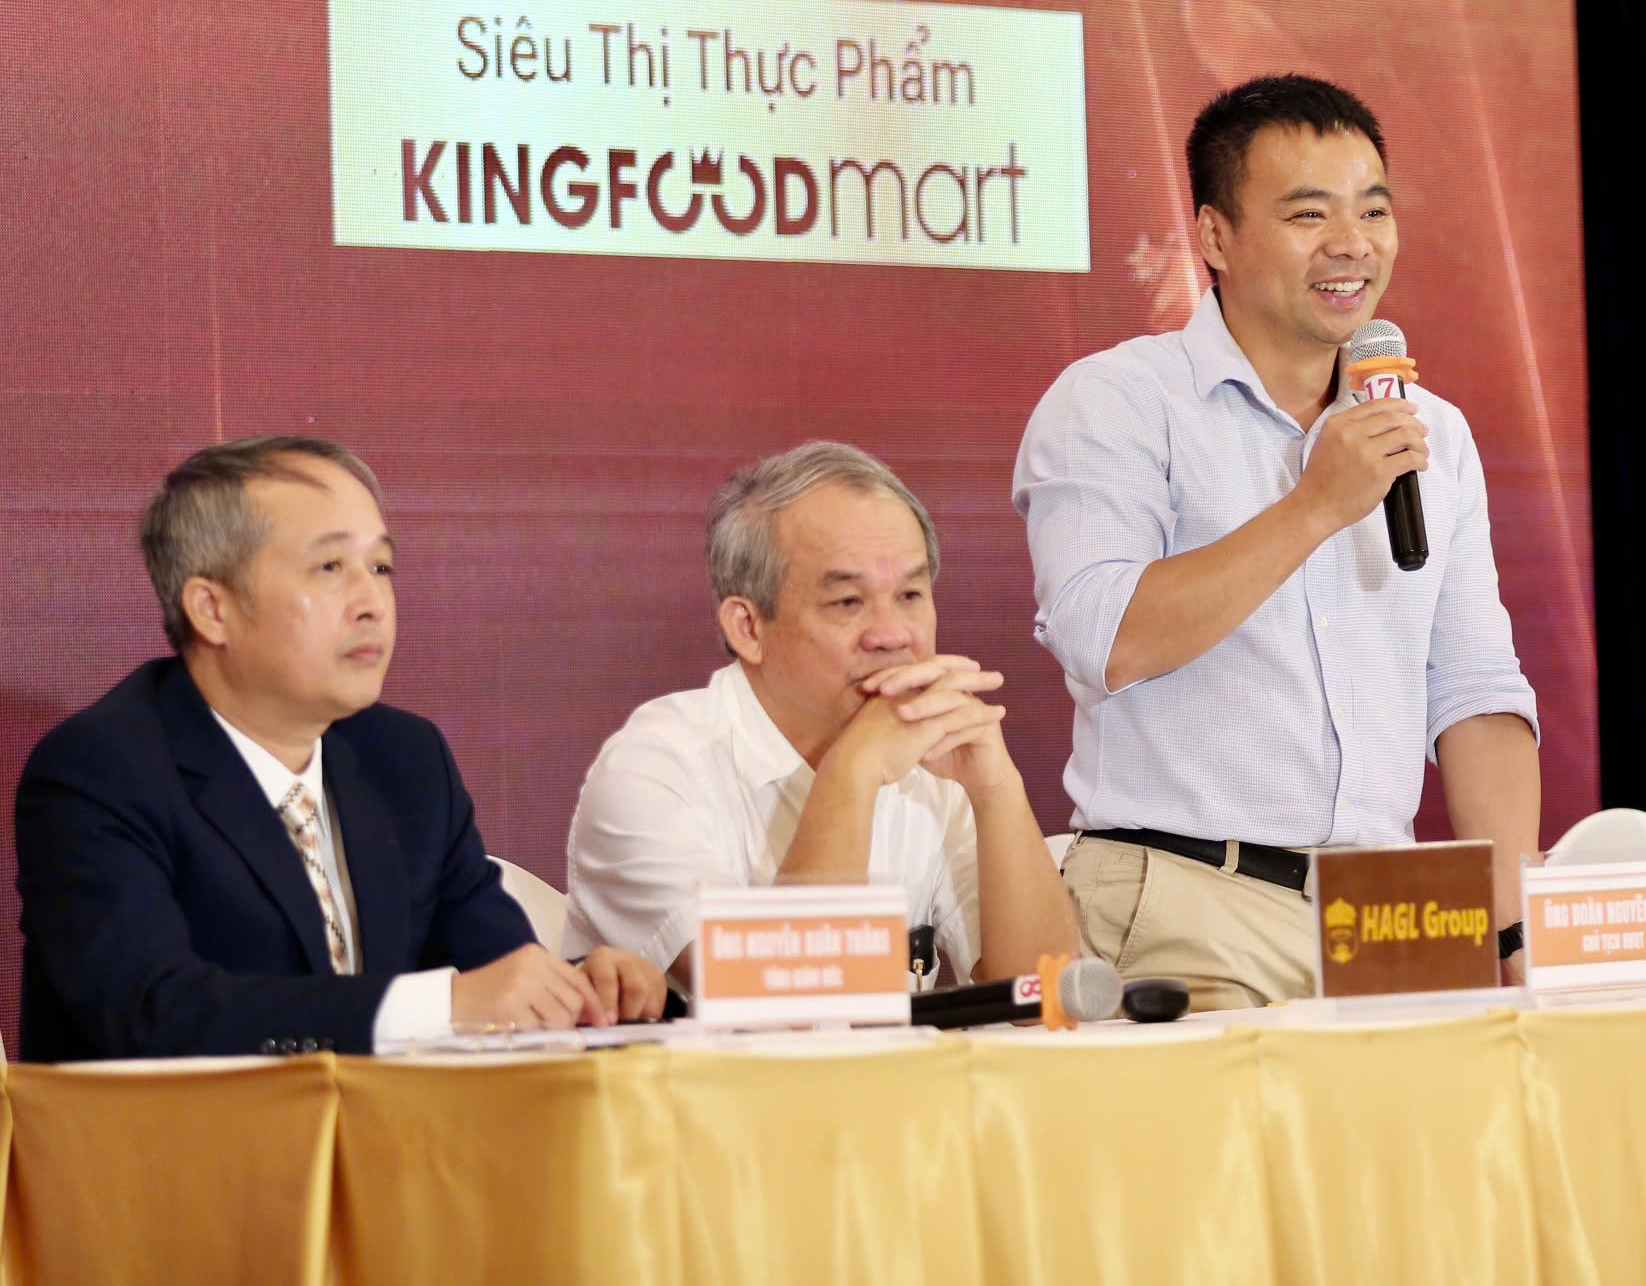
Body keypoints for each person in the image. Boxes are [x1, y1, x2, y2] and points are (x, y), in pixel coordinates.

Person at [1012, 74, 1542, 1008]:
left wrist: (1517, 931)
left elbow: (1474, 688)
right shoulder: (1117, 401)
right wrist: (1312, 507)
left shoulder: (1434, 432)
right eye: (1309, 213)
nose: (1353, 243)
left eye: (1373, 210)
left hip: (1393, 914)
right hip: (1188, 896)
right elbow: (1105, 638)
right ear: (1215, 237)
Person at [14, 437, 663, 1062]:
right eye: (330, 568)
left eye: (380, 567)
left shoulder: (403, 759)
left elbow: (494, 967)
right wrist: (441, 1005)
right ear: (212, 609)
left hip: (396, 1130)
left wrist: (578, 990)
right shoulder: (101, 770)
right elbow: (155, 1013)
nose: (372, 603)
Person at [563, 442, 1076, 1000]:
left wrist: (995, 790)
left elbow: (1050, 997)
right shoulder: (652, 772)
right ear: (748, 628)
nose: (893, 635)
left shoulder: (936, 768)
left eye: (910, 594)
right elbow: (782, 1004)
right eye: (847, 602)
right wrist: (853, 770)